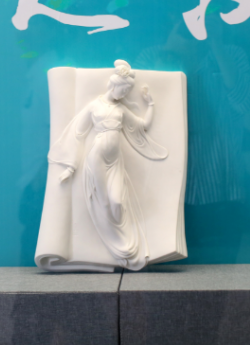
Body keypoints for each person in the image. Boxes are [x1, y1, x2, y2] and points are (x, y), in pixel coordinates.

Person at [47, 60, 168, 270]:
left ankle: (125, 246)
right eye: (124, 89)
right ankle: (113, 247)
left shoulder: (121, 110)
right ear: (115, 85)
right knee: (104, 203)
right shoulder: (94, 106)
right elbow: (77, 134)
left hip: (115, 161)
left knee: (118, 203)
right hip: (97, 158)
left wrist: (150, 104)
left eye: (128, 91)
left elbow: (144, 126)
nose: (125, 94)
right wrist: (71, 167)